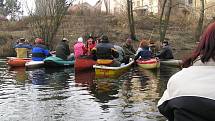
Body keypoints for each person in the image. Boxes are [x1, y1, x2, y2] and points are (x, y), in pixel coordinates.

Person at [158, 22, 215, 121]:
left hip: (167, 60)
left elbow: (163, 109)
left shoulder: (177, 79)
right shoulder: (168, 48)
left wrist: (156, 57)